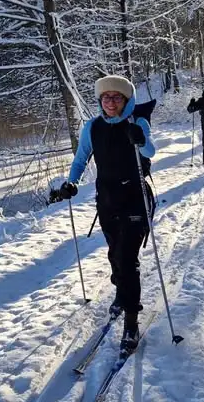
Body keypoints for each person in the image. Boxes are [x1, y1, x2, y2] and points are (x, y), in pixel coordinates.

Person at [54, 75, 155, 352]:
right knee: (114, 254)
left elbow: (150, 151)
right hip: (107, 200)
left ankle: (131, 322)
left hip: (134, 198)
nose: (111, 102)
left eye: (117, 97)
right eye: (106, 97)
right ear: (100, 100)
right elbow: (81, 158)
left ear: (127, 100)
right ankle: (121, 293)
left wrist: (140, 139)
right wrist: (72, 182)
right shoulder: (92, 127)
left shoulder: (137, 122)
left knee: (127, 259)